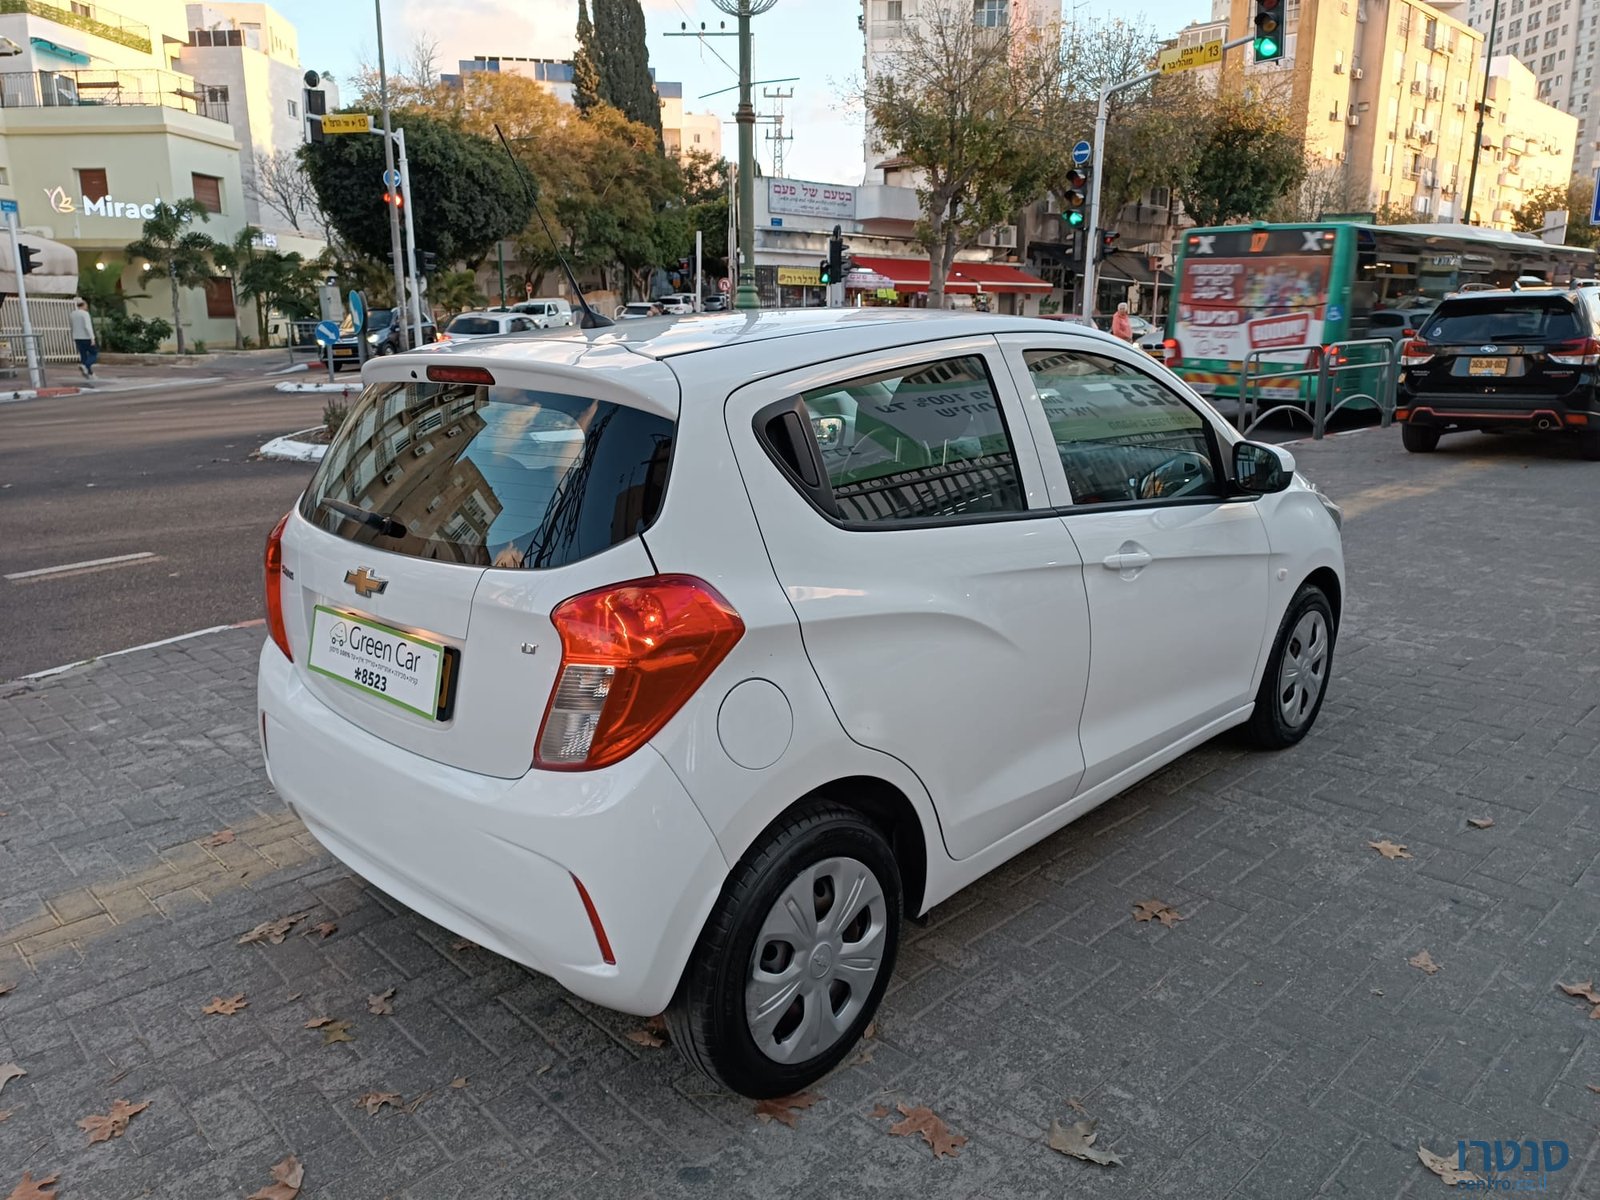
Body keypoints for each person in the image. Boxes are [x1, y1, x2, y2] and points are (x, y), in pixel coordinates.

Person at [70, 298, 98, 379]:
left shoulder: (72, 314)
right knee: (94, 354)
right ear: (83, 305)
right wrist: (92, 338)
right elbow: (87, 326)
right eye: (86, 305)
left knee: (83, 355)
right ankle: (85, 366)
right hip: (86, 337)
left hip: (77, 337)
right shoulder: (85, 314)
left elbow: (72, 326)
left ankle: (89, 373)